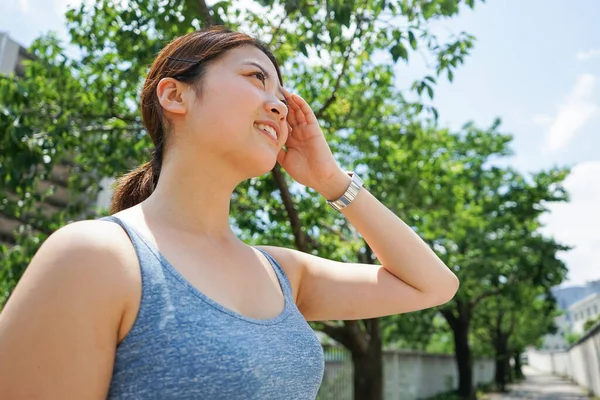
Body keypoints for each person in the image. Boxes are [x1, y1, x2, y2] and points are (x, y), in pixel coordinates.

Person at [0, 26, 459, 399]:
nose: (280, 105)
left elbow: (433, 285)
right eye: (256, 78)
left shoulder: (281, 272)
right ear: (176, 96)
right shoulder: (94, 257)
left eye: (282, 92)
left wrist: (331, 180)